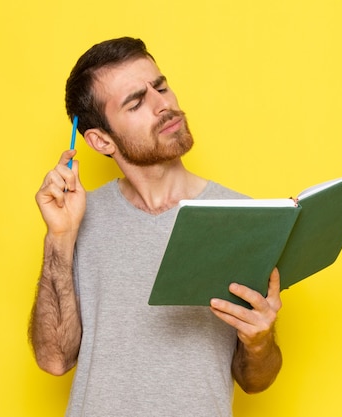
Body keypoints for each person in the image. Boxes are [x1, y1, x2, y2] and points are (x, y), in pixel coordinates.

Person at [29, 37, 283, 417]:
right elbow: (53, 360)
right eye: (136, 101)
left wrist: (260, 342)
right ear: (100, 140)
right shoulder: (77, 218)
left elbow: (254, 381)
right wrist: (60, 238)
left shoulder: (243, 218)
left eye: (160, 86)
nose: (163, 104)